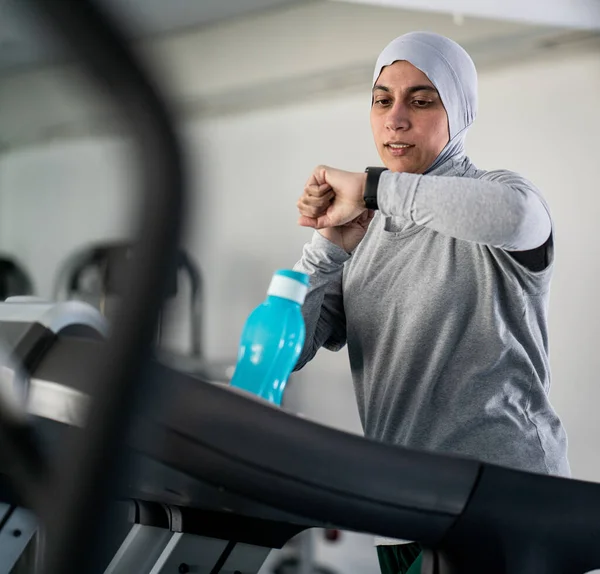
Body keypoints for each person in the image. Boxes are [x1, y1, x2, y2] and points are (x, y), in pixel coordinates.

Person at [291, 31, 571, 574]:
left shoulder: (499, 195)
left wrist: (372, 187)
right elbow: (284, 352)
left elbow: (518, 218)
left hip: (506, 495)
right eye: (382, 100)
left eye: (421, 100)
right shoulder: (363, 231)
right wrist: (326, 250)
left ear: (458, 113)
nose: (396, 118)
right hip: (404, 509)